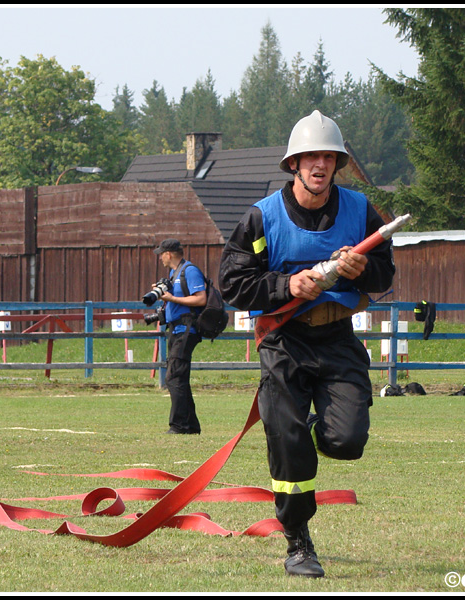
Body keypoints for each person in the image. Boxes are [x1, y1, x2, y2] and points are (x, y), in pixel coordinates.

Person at [219, 110, 396, 578]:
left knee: (346, 441)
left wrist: (364, 271)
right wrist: (285, 288)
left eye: (329, 157)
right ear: (294, 164)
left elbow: (385, 272)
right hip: (283, 342)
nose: (320, 164)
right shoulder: (261, 218)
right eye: (311, 156)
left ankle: (314, 423)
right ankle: (298, 541)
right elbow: (234, 284)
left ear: (337, 164)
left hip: (338, 339)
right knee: (288, 439)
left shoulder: (361, 211)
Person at [153, 239, 206, 435]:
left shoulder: (189, 271)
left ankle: (179, 425)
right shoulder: (173, 274)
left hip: (186, 329)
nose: (160, 258)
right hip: (176, 330)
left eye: (161, 254)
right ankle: (191, 425)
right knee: (179, 376)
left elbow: (201, 298)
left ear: (169, 254)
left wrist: (172, 298)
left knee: (174, 376)